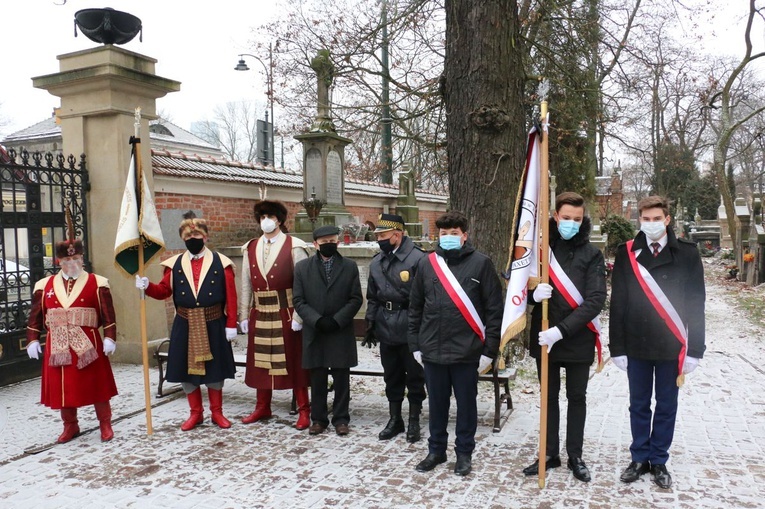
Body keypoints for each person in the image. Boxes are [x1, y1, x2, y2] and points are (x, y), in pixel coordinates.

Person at [609, 195, 706, 489]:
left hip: (670, 345)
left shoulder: (687, 253)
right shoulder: (627, 253)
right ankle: (639, 457)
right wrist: (617, 348)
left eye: (656, 219)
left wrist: (696, 350)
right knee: (638, 404)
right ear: (640, 220)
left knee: (666, 405)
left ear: (667, 220)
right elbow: (619, 302)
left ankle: (659, 459)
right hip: (636, 343)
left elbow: (695, 304)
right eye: (645, 219)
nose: (650, 224)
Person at [408, 211, 503, 476]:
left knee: (466, 406)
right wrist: (415, 345)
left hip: (467, 351)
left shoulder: (481, 264)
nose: (448, 238)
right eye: (443, 233)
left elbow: (494, 310)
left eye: (453, 233)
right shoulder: (427, 264)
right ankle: (436, 450)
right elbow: (415, 308)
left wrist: (489, 351)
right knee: (437, 405)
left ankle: (464, 453)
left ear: (464, 235)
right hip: (433, 350)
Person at [521, 192, 607, 482]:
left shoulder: (593, 254)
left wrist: (562, 330)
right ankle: (549, 453)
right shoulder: (540, 250)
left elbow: (595, 300)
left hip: (576, 337)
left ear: (583, 220)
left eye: (577, 219)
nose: (571, 222)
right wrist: (534, 295)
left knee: (577, 397)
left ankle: (575, 455)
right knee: (548, 398)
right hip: (545, 336)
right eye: (566, 217)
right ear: (556, 216)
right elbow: (520, 289)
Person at [136, 211, 238, 431]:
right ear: (183, 239)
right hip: (185, 323)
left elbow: (231, 295)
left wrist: (231, 324)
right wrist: (148, 286)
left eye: (197, 237)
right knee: (186, 371)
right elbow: (164, 290)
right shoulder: (174, 265)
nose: (193, 241)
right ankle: (195, 413)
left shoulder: (222, 263)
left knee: (214, 370)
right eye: (189, 238)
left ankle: (217, 413)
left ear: (206, 237)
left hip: (213, 322)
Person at [26, 228, 118, 443]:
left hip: (89, 344)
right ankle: (70, 426)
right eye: (67, 259)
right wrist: (31, 339)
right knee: (63, 387)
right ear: (59, 261)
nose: (72, 262)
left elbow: (108, 314)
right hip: (58, 344)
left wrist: (110, 337)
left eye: (76, 258)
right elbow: (35, 316)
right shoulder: (44, 286)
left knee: (97, 385)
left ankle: (105, 423)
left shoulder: (98, 283)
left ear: (82, 258)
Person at [238, 200, 311, 430]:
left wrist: (299, 317)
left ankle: (304, 410)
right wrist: (243, 315)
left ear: (279, 219)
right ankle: (262, 406)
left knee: (293, 363)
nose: (265, 221)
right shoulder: (250, 247)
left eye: (270, 216)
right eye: (261, 217)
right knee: (261, 363)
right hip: (260, 313)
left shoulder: (295, 246)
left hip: (286, 313)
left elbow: (304, 285)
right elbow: (246, 284)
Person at [293, 225, 363, 436]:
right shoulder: (302, 268)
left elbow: (356, 298)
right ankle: (319, 418)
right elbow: (298, 299)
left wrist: (337, 319)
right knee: (318, 377)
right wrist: (316, 320)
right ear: (315, 245)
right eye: (324, 243)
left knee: (342, 377)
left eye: (332, 241)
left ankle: (341, 418)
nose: (328, 245)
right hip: (316, 331)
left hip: (339, 330)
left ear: (337, 242)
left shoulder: (349, 266)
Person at [364, 213, 427, 443]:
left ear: (397, 235)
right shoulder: (377, 261)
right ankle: (395, 418)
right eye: (377, 235)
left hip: (411, 325)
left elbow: (425, 298)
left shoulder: (418, 259)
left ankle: (414, 419)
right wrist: (370, 322)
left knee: (415, 375)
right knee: (391, 375)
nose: (378, 239)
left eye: (382, 235)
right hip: (385, 324)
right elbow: (372, 296)